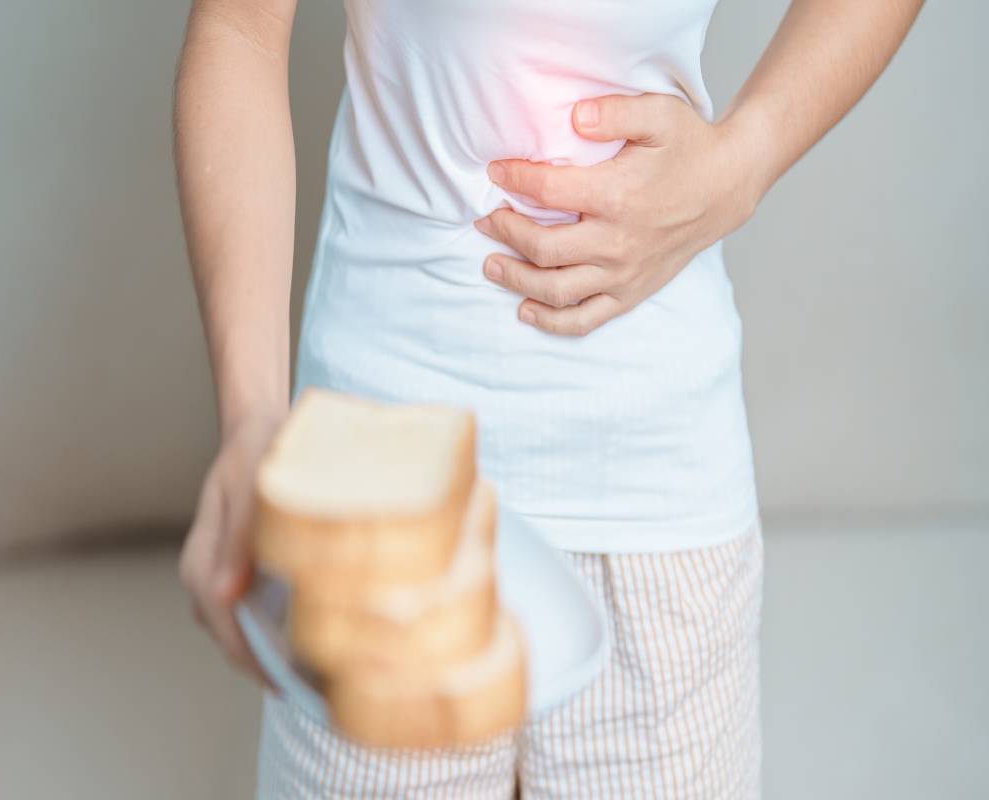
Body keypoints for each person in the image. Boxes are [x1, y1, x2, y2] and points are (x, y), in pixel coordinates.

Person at [173, 0, 923, 796]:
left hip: (659, 502)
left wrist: (746, 160)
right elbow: (240, 32)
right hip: (375, 510)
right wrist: (255, 421)